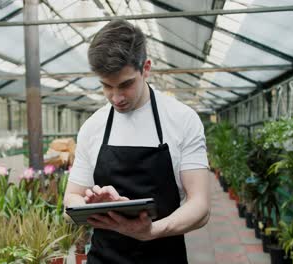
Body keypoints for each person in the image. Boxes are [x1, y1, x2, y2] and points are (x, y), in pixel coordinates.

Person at [64, 19, 210, 264]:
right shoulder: (93, 126)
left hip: (164, 256)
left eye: (126, 84)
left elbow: (200, 206)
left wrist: (151, 231)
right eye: (106, 86)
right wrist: (93, 203)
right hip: (104, 258)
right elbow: (70, 201)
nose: (116, 97)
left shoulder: (182, 119)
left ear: (146, 68)